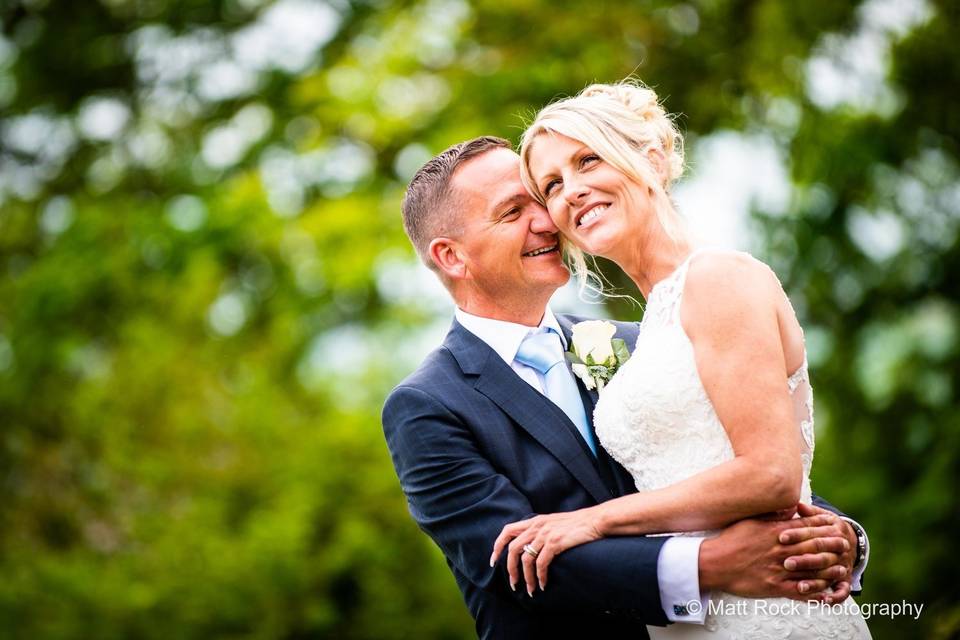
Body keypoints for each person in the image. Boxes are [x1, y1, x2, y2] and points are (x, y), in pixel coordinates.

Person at [382, 135, 867, 640]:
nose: (549, 220)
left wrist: (837, 537)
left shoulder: (638, 342)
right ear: (452, 257)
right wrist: (710, 564)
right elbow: (518, 566)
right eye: (512, 211)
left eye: (540, 198)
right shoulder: (426, 406)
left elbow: (722, 463)